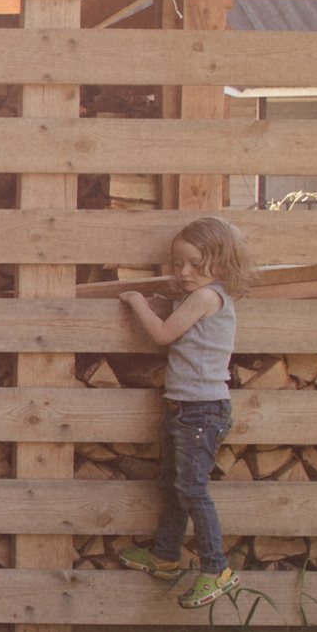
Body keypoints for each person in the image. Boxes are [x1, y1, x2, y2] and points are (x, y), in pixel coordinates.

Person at [117, 217, 255, 609]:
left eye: (195, 263)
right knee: (174, 488)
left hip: (201, 411)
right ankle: (165, 556)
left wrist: (137, 302)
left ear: (222, 261)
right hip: (184, 409)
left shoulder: (207, 297)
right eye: (177, 263)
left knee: (192, 490)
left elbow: (162, 334)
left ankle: (217, 569)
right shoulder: (202, 297)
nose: (184, 271)